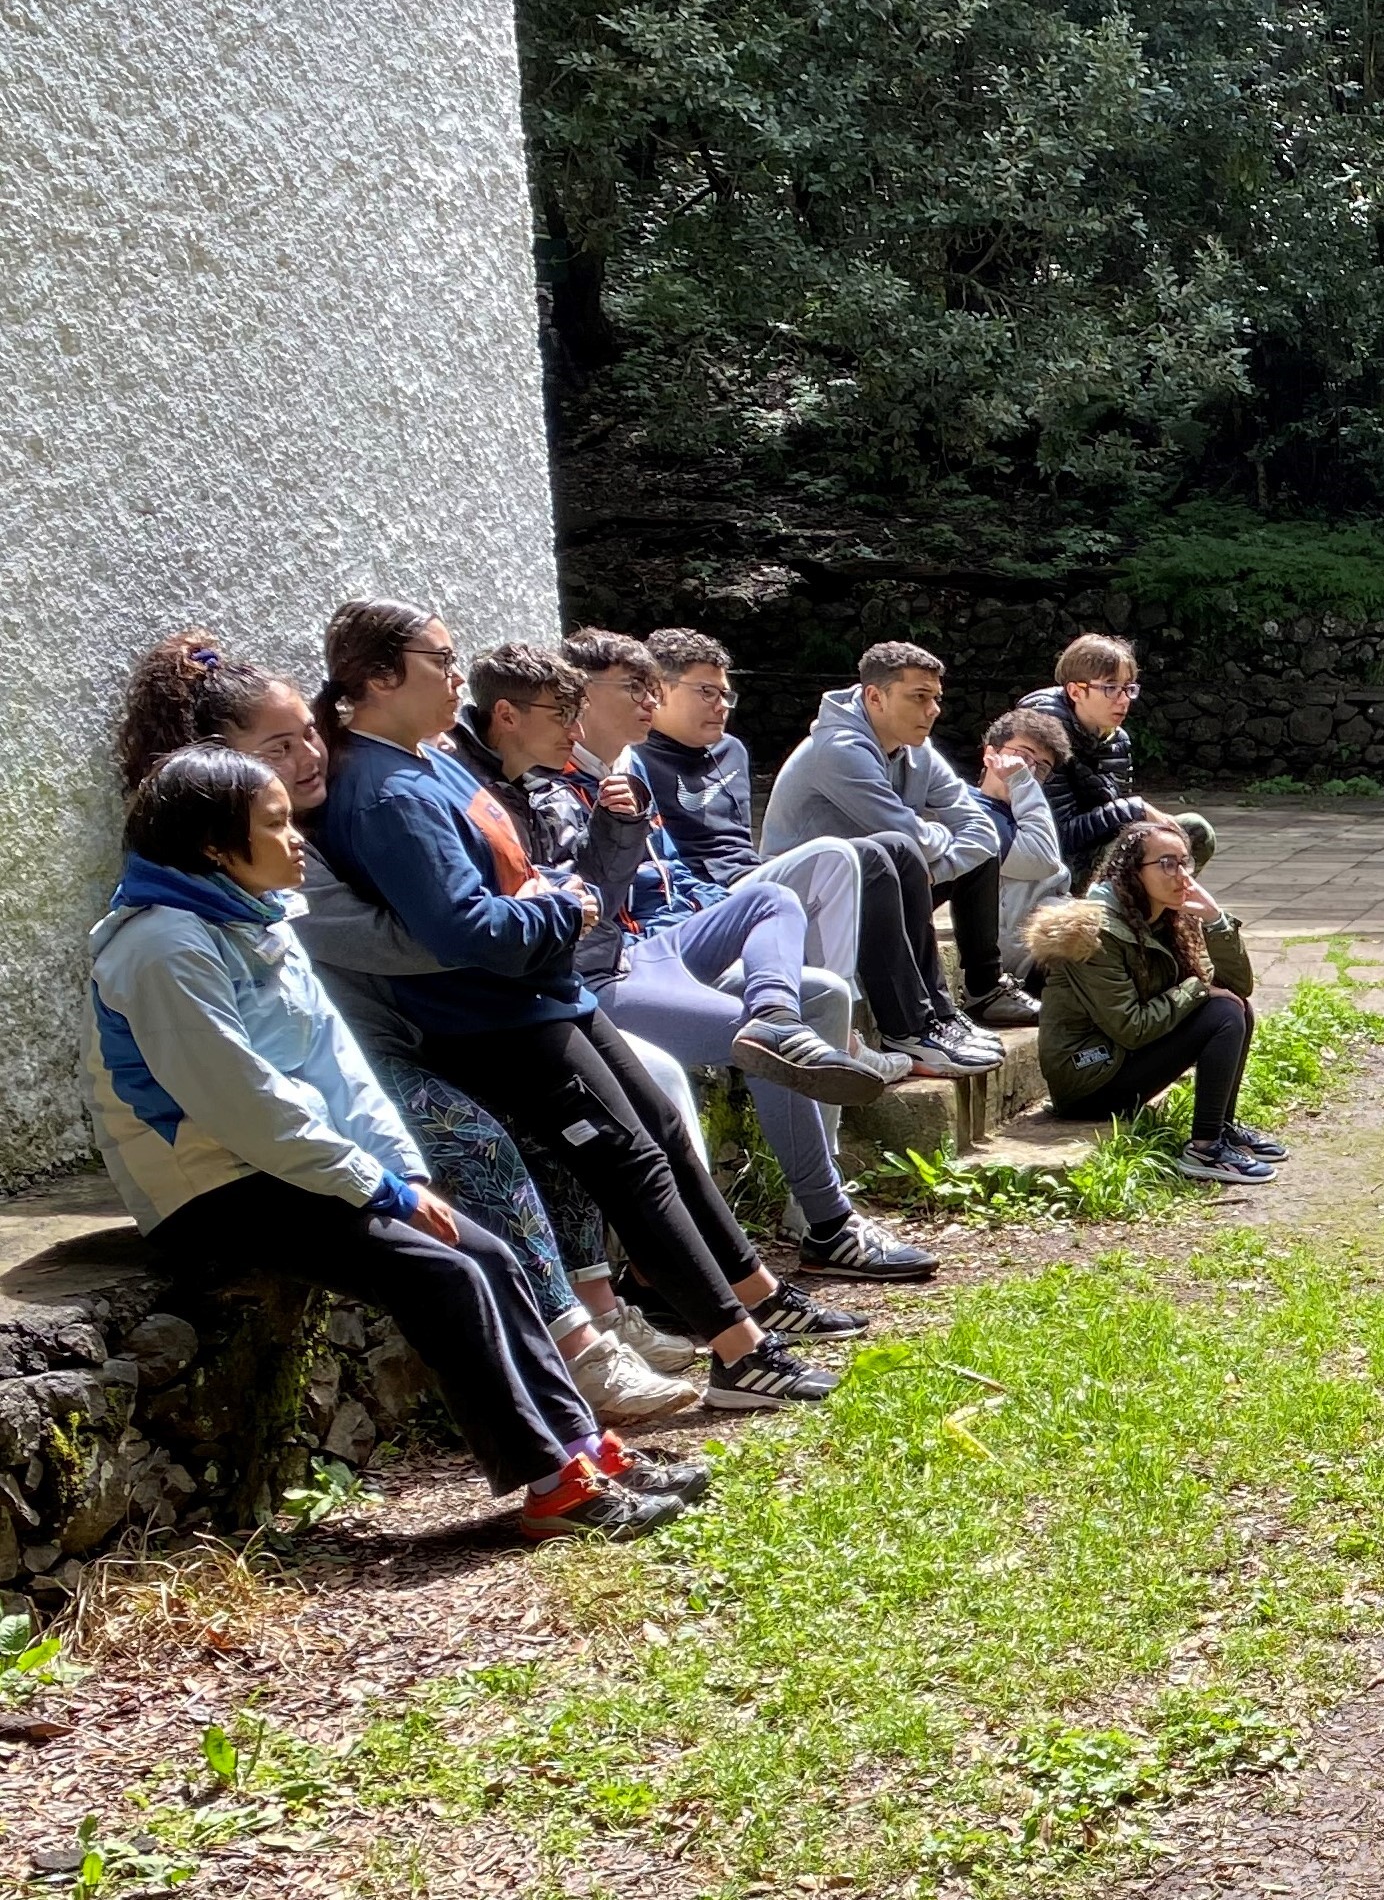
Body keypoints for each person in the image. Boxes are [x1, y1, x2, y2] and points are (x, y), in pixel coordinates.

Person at [88, 745, 706, 1539]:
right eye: (274, 825)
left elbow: (337, 1065)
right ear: (213, 846)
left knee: (488, 1251)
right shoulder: (162, 945)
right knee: (440, 1274)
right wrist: (372, 1186)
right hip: (207, 1183)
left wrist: (405, 1172)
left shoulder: (256, 916)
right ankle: (553, 1486)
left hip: (291, 1160)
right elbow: (241, 1100)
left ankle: (586, 1448)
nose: (297, 839)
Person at [309, 599, 842, 1410]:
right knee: (626, 1162)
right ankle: (740, 1353)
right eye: (439, 659)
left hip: (544, 993)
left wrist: (554, 890)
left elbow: (506, 869)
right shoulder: (384, 790)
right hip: (490, 1017)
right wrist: (562, 908)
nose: (458, 675)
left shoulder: (430, 758)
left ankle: (759, 1298)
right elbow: (459, 927)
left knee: (659, 1132)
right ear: (380, 677)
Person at [554, 628, 936, 1282]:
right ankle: (817, 1227)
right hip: (611, 964)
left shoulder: (626, 766)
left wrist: (709, 909)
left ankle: (778, 1022)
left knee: (798, 951)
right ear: (577, 697)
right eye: (634, 687)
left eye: (653, 686)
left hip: (674, 936)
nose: (649, 700)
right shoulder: (545, 782)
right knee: (773, 1042)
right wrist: (614, 831)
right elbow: (583, 910)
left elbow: (673, 868)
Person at [634, 628, 1001, 1080]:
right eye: (706, 692)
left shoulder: (730, 751)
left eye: (726, 694)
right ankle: (898, 1029)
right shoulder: (636, 760)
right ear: (659, 691)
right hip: (716, 899)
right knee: (873, 852)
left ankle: (937, 1016)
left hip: (760, 878)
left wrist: (935, 859)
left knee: (897, 850)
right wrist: (938, 844)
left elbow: (977, 829)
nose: (721, 705)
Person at [761, 640, 1040, 1028]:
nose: (933, 710)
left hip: (880, 882)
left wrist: (933, 868)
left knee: (977, 855)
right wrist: (938, 841)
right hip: (810, 902)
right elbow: (907, 836)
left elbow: (981, 829)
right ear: (876, 697)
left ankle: (985, 990)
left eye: (936, 697)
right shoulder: (838, 750)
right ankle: (921, 1022)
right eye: (919, 697)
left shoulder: (918, 750)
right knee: (903, 850)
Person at [1026, 815, 1287, 1185]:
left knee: (1235, 1007)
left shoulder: (1165, 918)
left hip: (1123, 1057)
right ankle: (1204, 1148)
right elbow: (1132, 1027)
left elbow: (1238, 985)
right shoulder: (1092, 933)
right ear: (1133, 872)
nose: (1182, 874)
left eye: (1185, 862)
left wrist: (1215, 920)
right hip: (1088, 1078)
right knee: (1223, 1011)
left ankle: (1220, 1129)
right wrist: (1198, 988)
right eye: (1167, 863)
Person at [1018, 633, 1216, 883]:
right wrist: (1134, 809)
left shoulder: (1117, 739)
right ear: (1076, 692)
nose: (1123, 700)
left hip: (1096, 848)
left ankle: (1168, 910)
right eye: (1110, 688)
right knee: (1145, 860)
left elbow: (1119, 819)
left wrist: (1144, 826)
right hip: (1050, 861)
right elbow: (1059, 836)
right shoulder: (1040, 738)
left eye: (1128, 689)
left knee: (1193, 831)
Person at [977, 705, 1074, 989]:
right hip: (1028, 958)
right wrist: (1019, 781)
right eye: (1021, 755)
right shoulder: (973, 809)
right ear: (989, 754)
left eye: (1041, 767)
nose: (1028, 770)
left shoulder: (1026, 808)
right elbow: (1041, 859)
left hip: (1057, 929)